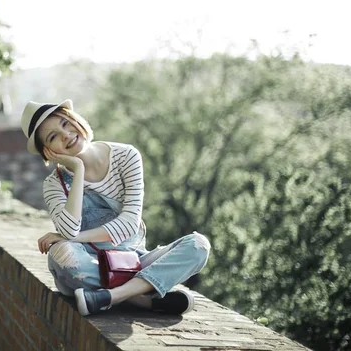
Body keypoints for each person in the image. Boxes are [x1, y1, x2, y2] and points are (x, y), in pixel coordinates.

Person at [20, 99, 211, 316]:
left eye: (65, 123)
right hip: (88, 263)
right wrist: (78, 169)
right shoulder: (54, 184)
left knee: (198, 245)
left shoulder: (126, 156)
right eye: (53, 137)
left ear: (76, 120)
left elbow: (129, 224)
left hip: (133, 260)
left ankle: (111, 296)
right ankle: (143, 298)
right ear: (48, 152)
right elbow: (68, 232)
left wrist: (71, 238)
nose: (65, 135)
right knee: (61, 253)